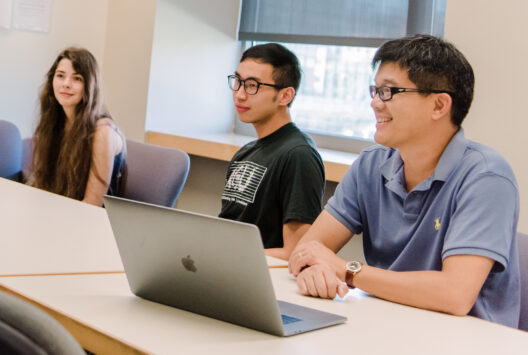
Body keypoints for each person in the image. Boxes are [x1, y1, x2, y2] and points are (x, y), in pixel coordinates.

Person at [288, 35, 520, 327]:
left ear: (438, 105)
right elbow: (307, 250)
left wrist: (347, 270)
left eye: (388, 91)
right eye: (374, 90)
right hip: (385, 323)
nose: (375, 103)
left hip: (464, 339)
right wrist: (314, 270)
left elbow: (455, 295)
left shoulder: (486, 177)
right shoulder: (372, 164)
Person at [220, 43, 325, 260]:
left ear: (285, 96)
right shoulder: (246, 152)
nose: (239, 95)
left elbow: (295, 252)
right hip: (223, 265)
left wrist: (229, 257)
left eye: (252, 86)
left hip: (258, 276)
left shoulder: (298, 155)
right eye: (238, 82)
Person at [28, 47, 126, 207]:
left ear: (90, 85)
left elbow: (92, 204)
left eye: (77, 78)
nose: (66, 84)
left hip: (92, 221)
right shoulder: (56, 123)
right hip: (64, 212)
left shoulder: (102, 133)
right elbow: (44, 186)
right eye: (60, 76)